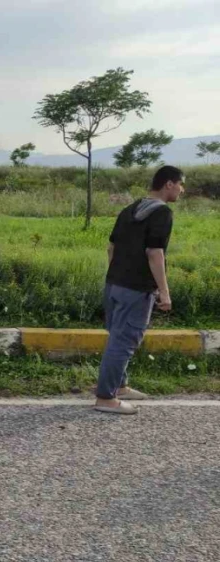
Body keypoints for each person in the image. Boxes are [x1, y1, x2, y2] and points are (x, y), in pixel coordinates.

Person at [94, 165, 184, 415]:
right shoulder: (162, 213)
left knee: (117, 337)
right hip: (136, 289)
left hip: (114, 284)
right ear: (168, 184)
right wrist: (164, 293)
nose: (181, 190)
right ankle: (106, 398)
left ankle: (119, 387)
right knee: (124, 342)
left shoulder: (129, 209)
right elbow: (155, 253)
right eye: (180, 184)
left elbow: (111, 248)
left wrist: (117, 275)